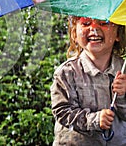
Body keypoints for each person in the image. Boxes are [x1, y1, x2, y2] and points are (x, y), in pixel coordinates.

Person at [51, 16, 126, 145]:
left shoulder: (124, 71)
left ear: (118, 34)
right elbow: (62, 111)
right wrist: (94, 120)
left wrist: (122, 96)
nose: (94, 28)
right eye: (86, 23)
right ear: (74, 33)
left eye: (103, 23)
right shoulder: (66, 73)